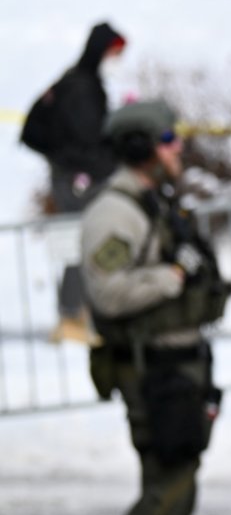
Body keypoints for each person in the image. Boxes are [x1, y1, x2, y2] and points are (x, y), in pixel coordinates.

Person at [79, 100, 231, 515]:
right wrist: (171, 277)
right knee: (169, 488)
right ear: (141, 146)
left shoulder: (156, 202)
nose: (177, 147)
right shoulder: (116, 212)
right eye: (167, 138)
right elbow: (108, 292)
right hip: (152, 370)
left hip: (179, 363)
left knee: (174, 487)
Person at [21, 22, 126, 345]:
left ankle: (79, 312)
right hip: (78, 180)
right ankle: (71, 315)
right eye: (114, 54)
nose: (117, 61)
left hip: (75, 176)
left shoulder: (80, 81)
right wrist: (112, 162)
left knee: (85, 241)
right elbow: (86, 142)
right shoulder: (82, 88)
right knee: (82, 242)